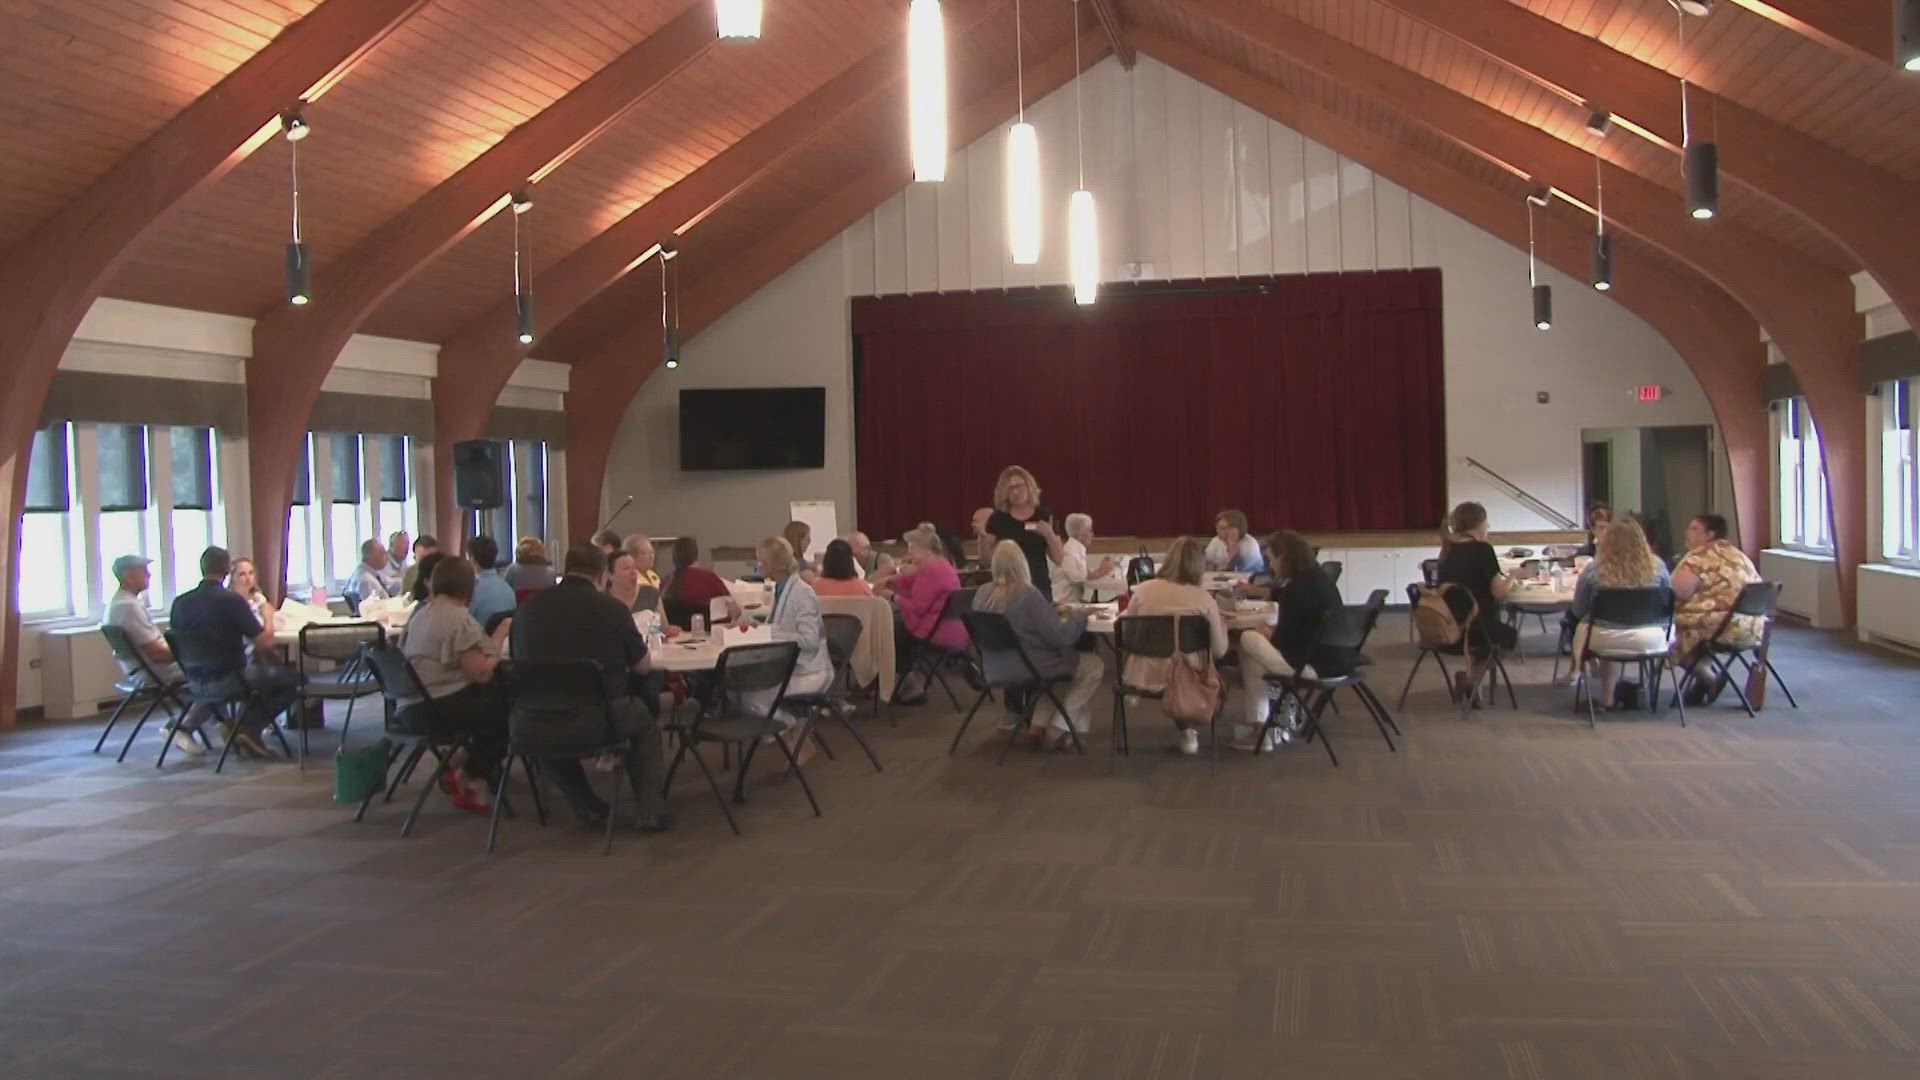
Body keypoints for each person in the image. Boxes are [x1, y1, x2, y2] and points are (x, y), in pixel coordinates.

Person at [510, 543, 673, 832]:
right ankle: (650, 810)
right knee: (645, 725)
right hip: (597, 718)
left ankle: (586, 805)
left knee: (548, 738)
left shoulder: (527, 608)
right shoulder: (610, 609)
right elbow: (643, 667)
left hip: (530, 721)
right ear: (602, 575)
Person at [396, 556, 508, 813]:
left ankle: (466, 771)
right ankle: (467, 772)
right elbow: (479, 673)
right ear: (470, 587)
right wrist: (499, 639)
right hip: (440, 707)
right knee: (513, 716)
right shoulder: (458, 620)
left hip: (410, 706)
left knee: (494, 711)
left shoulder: (421, 615)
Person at [169, 546, 299, 758]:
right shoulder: (231, 601)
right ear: (227, 570)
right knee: (293, 679)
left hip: (195, 679)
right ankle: (247, 726)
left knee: (261, 674)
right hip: (231, 677)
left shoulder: (180, 603)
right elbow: (264, 643)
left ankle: (239, 726)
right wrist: (268, 616)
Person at [972, 540, 1102, 750]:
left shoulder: (982, 593)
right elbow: (1060, 637)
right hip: (1028, 666)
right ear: (1022, 564)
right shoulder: (1026, 593)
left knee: (1061, 670)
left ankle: (1036, 727)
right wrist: (1080, 617)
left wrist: (1046, 609)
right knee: (1092, 665)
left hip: (992, 667)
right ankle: (1057, 729)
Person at [1236, 531, 1344, 750]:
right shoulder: (1318, 578)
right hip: (1339, 659)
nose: (1271, 566)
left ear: (1284, 557)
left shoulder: (1297, 589)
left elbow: (1285, 644)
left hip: (1311, 666)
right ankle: (1263, 727)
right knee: (1255, 659)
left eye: (1272, 559)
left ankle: (1263, 726)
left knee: (1247, 638)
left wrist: (1267, 634)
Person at [1122, 536, 1229, 755]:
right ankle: (1190, 728)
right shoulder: (1203, 599)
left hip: (1142, 672)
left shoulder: (1142, 590)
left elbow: (1126, 633)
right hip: (1187, 674)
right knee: (1215, 676)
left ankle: (1135, 692)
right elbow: (1219, 650)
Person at [102, 554, 215, 757]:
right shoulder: (128, 607)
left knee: (212, 670)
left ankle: (216, 726)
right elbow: (157, 653)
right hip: (154, 670)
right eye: (143, 571)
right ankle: (181, 727)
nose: (149, 574)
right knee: (217, 674)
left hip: (142, 669)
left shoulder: (120, 603)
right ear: (128, 577)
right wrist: (189, 653)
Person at [1565, 519, 1674, 709]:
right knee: (1618, 625)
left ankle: (1607, 697)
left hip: (1603, 639)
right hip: (1651, 638)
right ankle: (1647, 689)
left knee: (1602, 626)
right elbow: (1666, 601)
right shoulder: (1658, 566)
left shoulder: (1593, 568)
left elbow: (1578, 609)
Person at [1671, 513, 1763, 694]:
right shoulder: (1738, 555)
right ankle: (1705, 676)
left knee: (1667, 632)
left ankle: (1709, 677)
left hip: (1723, 628)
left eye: (1694, 529)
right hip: (1753, 627)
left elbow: (1677, 591)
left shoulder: (1699, 557)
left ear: (1709, 534)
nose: (1687, 533)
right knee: (1694, 623)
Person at [1436, 501, 1519, 698]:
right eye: (1486, 523)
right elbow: (1499, 593)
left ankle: (1470, 679)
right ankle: (1471, 680)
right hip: (1477, 628)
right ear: (1480, 524)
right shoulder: (1483, 550)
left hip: (1448, 627)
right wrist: (1513, 576)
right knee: (1508, 636)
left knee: (1487, 634)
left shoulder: (1447, 550)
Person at [881, 523, 967, 704]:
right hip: (950, 628)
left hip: (936, 632)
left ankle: (908, 686)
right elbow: (909, 580)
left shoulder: (933, 570)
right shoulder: (938, 565)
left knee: (887, 634)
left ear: (927, 550)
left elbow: (917, 607)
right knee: (892, 629)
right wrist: (891, 580)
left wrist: (893, 596)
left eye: (913, 548)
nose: (909, 552)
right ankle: (904, 683)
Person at [752, 536, 833, 717]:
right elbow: (778, 626)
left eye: (761, 561)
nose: (758, 564)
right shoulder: (780, 589)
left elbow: (809, 641)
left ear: (770, 565)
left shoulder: (802, 593)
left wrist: (770, 633)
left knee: (751, 698)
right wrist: (759, 628)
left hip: (809, 672)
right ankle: (783, 730)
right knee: (739, 690)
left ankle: (789, 727)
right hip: (789, 667)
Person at [978, 466, 1061, 598]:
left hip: (1039, 587)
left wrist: (1049, 536)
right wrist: (982, 538)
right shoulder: (998, 518)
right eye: (1010, 488)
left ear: (1029, 486)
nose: (1015, 492)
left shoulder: (1043, 515)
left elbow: (1059, 559)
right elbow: (986, 562)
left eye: (1019, 486)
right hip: (1007, 590)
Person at [661, 535, 739, 629]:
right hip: (707, 636)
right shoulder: (710, 578)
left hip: (675, 638)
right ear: (696, 555)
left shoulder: (665, 582)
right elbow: (733, 610)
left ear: (674, 557)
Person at [1049, 512, 1116, 603]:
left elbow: (1083, 572)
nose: (1092, 534)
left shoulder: (1076, 549)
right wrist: (1101, 571)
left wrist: (1101, 569)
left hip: (1073, 599)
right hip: (1064, 603)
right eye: (1089, 531)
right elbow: (1077, 577)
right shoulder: (1069, 552)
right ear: (1080, 534)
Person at [465, 535, 516, 629]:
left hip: (480, 640)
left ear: (472, 559)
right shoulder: (508, 589)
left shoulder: (472, 590)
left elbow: (463, 624)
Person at [227, 556, 280, 633]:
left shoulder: (258, 598)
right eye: (242, 574)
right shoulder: (229, 601)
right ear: (232, 578)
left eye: (251, 573)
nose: (248, 578)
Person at [622, 534, 664, 613]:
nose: (651, 557)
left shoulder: (653, 575)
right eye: (644, 553)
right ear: (631, 556)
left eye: (652, 553)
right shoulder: (629, 578)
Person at [349, 539, 391, 606]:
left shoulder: (366, 572)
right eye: (382, 553)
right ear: (372, 556)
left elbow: (390, 582)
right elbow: (373, 610)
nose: (387, 557)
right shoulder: (367, 580)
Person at [606, 549, 651, 613]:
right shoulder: (602, 599)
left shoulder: (650, 593)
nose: (633, 572)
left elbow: (664, 623)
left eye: (634, 567)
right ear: (609, 575)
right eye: (626, 568)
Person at [382, 530, 410, 594]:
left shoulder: (402, 561)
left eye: (407, 543)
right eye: (402, 543)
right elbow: (383, 583)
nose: (406, 547)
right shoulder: (382, 561)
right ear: (391, 545)